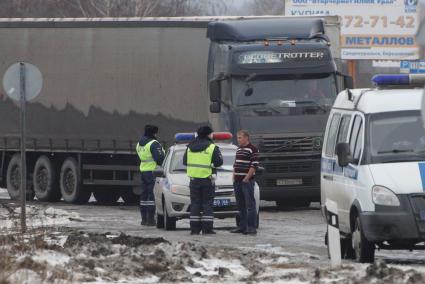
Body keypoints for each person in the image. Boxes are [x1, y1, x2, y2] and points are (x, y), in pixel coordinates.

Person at [183, 126, 223, 235]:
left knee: (195, 204)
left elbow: (185, 161)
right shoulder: (212, 147)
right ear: (208, 134)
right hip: (207, 180)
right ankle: (207, 229)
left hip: (194, 180)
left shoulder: (190, 147)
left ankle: (194, 229)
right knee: (207, 204)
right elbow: (219, 162)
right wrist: (211, 164)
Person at [231, 130, 259, 235]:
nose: (238, 140)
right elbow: (235, 164)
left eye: (240, 138)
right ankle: (242, 227)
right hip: (237, 181)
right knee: (240, 205)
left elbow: (254, 165)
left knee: (250, 205)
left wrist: (247, 178)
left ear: (246, 138)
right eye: (237, 138)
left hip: (247, 182)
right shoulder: (238, 149)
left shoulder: (253, 149)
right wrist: (234, 176)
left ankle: (251, 227)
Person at [136, 125, 165, 226]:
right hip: (153, 172)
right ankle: (151, 220)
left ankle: (144, 219)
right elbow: (160, 158)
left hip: (143, 170)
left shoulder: (139, 144)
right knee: (152, 195)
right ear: (154, 133)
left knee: (144, 196)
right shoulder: (154, 143)